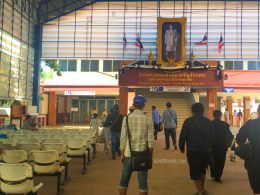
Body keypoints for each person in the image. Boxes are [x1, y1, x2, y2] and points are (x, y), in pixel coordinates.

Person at [119, 95, 154, 195]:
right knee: (143, 185)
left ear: (133, 105)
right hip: (142, 155)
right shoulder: (148, 119)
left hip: (128, 154)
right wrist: (150, 157)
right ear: (143, 105)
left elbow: (123, 138)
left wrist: (122, 153)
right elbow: (151, 142)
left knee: (124, 182)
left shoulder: (126, 119)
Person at [179, 103, 214, 195]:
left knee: (195, 171)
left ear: (192, 111)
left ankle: (199, 192)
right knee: (203, 170)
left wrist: (181, 146)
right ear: (203, 111)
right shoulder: (208, 121)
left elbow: (183, 135)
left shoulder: (188, 121)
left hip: (192, 151)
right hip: (205, 150)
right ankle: (202, 189)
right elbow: (212, 137)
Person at [236, 104, 260, 195]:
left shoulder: (250, 124)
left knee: (256, 188)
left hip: (253, 160)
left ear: (258, 112)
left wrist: (246, 147)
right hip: (253, 160)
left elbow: (239, 138)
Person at [210, 110, 233, 182]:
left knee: (212, 160)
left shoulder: (210, 124)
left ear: (213, 115)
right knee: (220, 161)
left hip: (212, 146)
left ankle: (213, 174)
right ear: (220, 116)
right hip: (222, 146)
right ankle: (218, 177)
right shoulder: (225, 125)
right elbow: (229, 136)